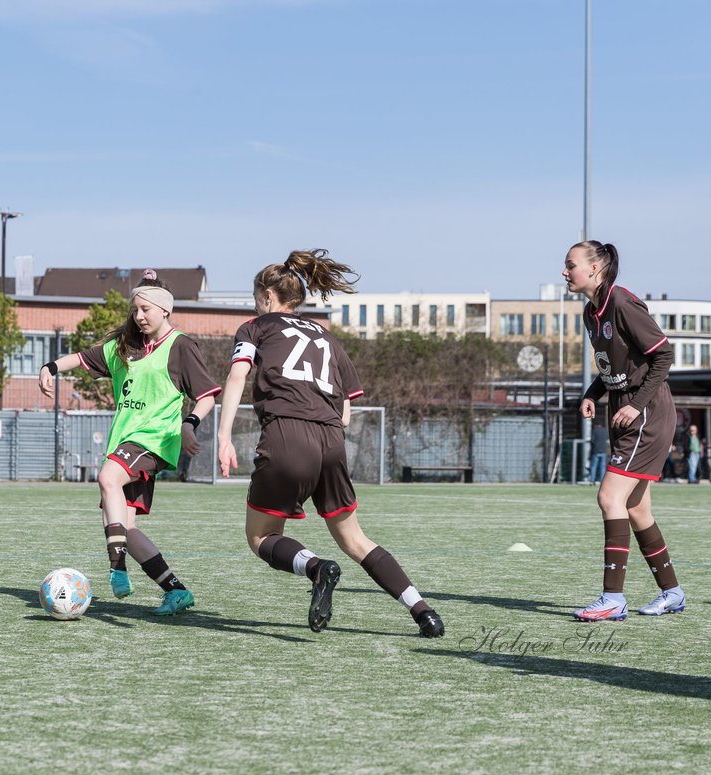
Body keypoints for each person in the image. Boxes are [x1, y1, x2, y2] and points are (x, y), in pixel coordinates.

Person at [215, 250, 445, 638]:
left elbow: (237, 378)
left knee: (261, 538)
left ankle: (316, 568)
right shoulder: (326, 336)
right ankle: (423, 612)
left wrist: (223, 437)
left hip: (288, 435)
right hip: (332, 440)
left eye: (257, 299)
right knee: (355, 539)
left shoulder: (256, 327)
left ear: (268, 297)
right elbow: (345, 409)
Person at [39, 271, 220, 616]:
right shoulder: (125, 347)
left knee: (107, 478)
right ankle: (176, 590)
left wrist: (189, 424)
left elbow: (207, 396)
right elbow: (80, 358)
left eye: (146, 309)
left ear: (165, 310)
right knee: (128, 526)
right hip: (125, 443)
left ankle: (116, 567)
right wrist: (50, 367)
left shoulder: (180, 346)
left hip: (155, 440)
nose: (139, 316)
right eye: (135, 309)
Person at [564, 241, 687, 621]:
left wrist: (636, 404)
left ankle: (612, 598)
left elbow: (663, 356)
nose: (565, 272)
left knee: (608, 497)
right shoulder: (590, 312)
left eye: (570, 265)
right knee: (636, 508)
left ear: (595, 268)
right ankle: (672, 592)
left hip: (646, 413)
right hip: (622, 409)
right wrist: (592, 393)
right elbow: (612, 368)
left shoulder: (622, 303)